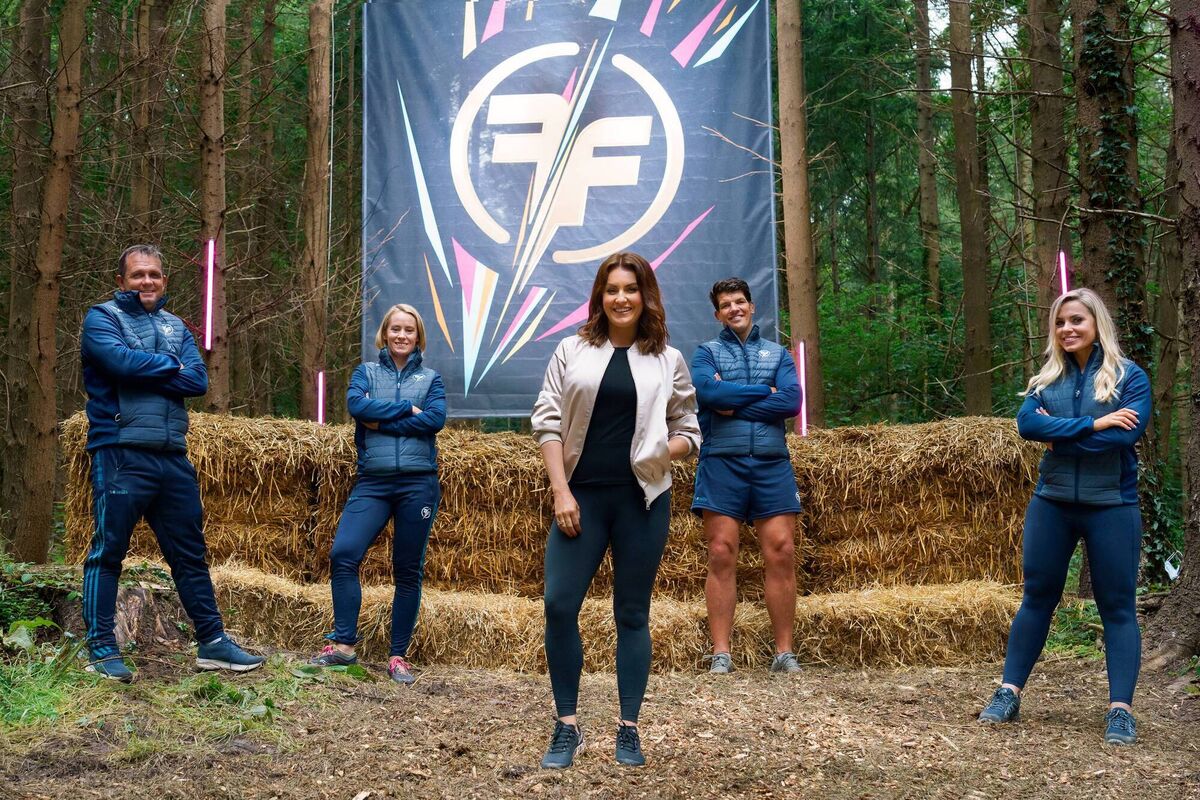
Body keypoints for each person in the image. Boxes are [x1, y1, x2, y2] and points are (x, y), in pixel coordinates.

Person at [530, 252, 700, 769]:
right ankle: (567, 726)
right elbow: (547, 422)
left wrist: (661, 451)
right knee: (559, 605)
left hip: (642, 501)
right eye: (612, 289)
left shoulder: (667, 358)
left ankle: (629, 728)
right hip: (581, 498)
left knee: (631, 613)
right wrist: (562, 493)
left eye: (631, 288)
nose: (621, 298)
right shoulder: (571, 350)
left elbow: (690, 431)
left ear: (645, 296)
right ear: (599, 296)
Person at [80, 245, 265, 682]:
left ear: (165, 281)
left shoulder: (175, 324)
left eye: (155, 275)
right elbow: (118, 363)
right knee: (108, 552)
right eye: (138, 275)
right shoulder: (101, 317)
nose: (147, 282)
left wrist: (148, 367)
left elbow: (197, 379)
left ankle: (213, 643)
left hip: (172, 456)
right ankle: (102, 649)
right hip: (121, 450)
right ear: (122, 280)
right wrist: (168, 365)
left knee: (190, 555)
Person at [977, 287, 1150, 745]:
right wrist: (1094, 424)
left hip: (1112, 504)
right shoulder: (1044, 381)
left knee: (1117, 607)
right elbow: (1027, 426)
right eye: (1060, 322)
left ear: (1097, 324)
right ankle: (1008, 692)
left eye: (1077, 320)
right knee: (1037, 596)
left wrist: (1063, 437)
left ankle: (1120, 711)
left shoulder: (1129, 378)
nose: (1067, 329)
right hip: (1052, 502)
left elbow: (1123, 439)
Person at [309, 303, 446, 685]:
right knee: (343, 553)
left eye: (409, 330)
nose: (402, 336)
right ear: (384, 334)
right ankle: (343, 647)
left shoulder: (431, 379)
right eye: (395, 329)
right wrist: (406, 409)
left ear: (418, 337)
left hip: (418, 484)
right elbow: (356, 406)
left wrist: (379, 418)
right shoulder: (365, 373)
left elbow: (434, 420)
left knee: (407, 570)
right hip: (373, 482)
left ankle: (398, 656)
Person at [690, 278, 802, 675]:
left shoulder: (777, 353)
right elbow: (709, 396)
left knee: (782, 552)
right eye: (726, 304)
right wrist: (763, 392)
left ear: (752, 307)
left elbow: (791, 401)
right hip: (722, 460)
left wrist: (735, 402)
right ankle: (722, 652)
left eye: (740, 301)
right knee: (721, 553)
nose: (734, 308)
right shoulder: (707, 353)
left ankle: (783, 653)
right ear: (718, 313)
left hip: (772, 462)